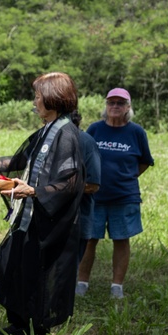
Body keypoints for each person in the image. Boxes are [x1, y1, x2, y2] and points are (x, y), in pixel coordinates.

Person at [0, 72, 85, 335]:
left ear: (52, 99)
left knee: (39, 275)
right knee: (16, 265)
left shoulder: (67, 134)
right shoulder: (47, 128)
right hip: (31, 216)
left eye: (38, 96)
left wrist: (34, 190)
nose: (34, 102)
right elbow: (20, 158)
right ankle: (19, 325)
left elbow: (70, 183)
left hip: (49, 223)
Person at [77, 87, 154, 299]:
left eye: (120, 103)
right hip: (94, 196)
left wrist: (126, 177)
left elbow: (145, 161)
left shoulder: (136, 132)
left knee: (122, 239)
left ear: (128, 107)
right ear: (106, 106)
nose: (115, 106)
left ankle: (116, 287)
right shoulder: (94, 129)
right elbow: (82, 158)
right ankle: (81, 282)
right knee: (89, 238)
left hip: (125, 197)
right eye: (111, 102)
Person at [71, 110, 101, 297]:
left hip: (77, 220)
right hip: (48, 219)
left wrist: (53, 189)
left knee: (66, 271)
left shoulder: (85, 142)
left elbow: (93, 185)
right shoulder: (46, 138)